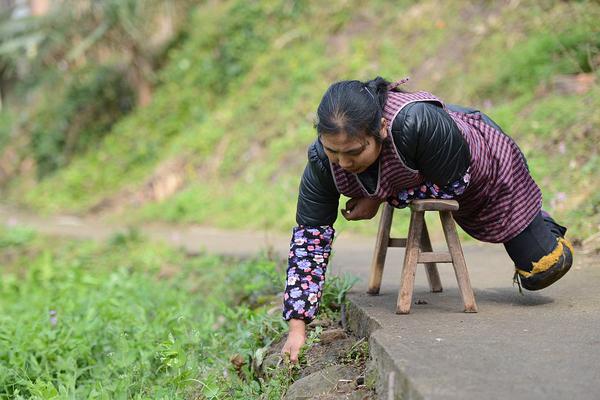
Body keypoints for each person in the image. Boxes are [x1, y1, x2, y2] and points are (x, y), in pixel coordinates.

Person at [280, 77, 574, 362]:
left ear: (381, 129)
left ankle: (537, 220)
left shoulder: (417, 122)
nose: (343, 163)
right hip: (428, 176)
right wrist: (297, 327)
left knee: (545, 268)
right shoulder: (321, 161)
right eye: (333, 151)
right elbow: (309, 241)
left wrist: (378, 197)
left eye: (354, 152)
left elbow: (456, 184)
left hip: (483, 169)